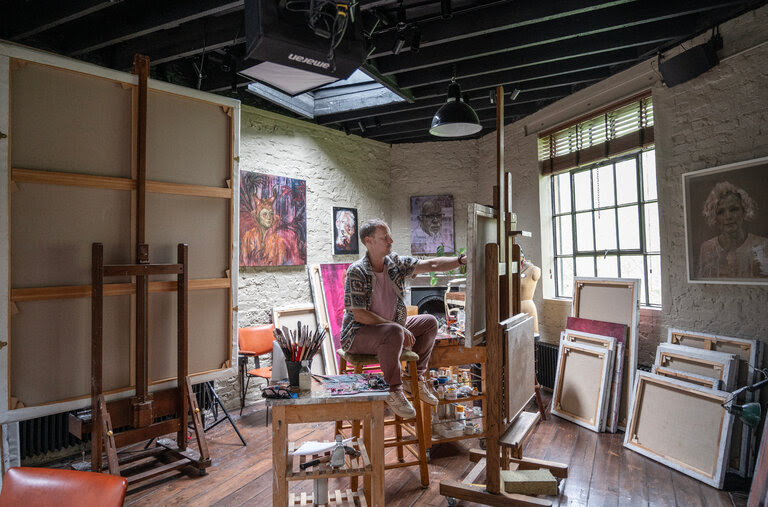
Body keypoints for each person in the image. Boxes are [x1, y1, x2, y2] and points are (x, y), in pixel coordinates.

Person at [341, 219, 468, 418]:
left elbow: (432, 264)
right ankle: (394, 390)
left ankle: (413, 379)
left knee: (429, 322)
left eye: (389, 236)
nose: (391, 240)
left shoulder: (395, 264)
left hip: (391, 329)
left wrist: (461, 260)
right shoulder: (357, 271)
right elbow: (359, 314)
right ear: (369, 241)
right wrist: (397, 327)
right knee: (394, 331)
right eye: (385, 237)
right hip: (358, 334)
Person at [697, 181, 768, 278]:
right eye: (721, 212)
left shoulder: (762, 245)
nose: (728, 217)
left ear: (744, 211)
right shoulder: (707, 248)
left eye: (734, 209)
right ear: (714, 217)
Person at [519, 249, 541, 333]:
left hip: (527, 308)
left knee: (530, 337)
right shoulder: (511, 269)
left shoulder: (533, 270)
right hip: (513, 309)